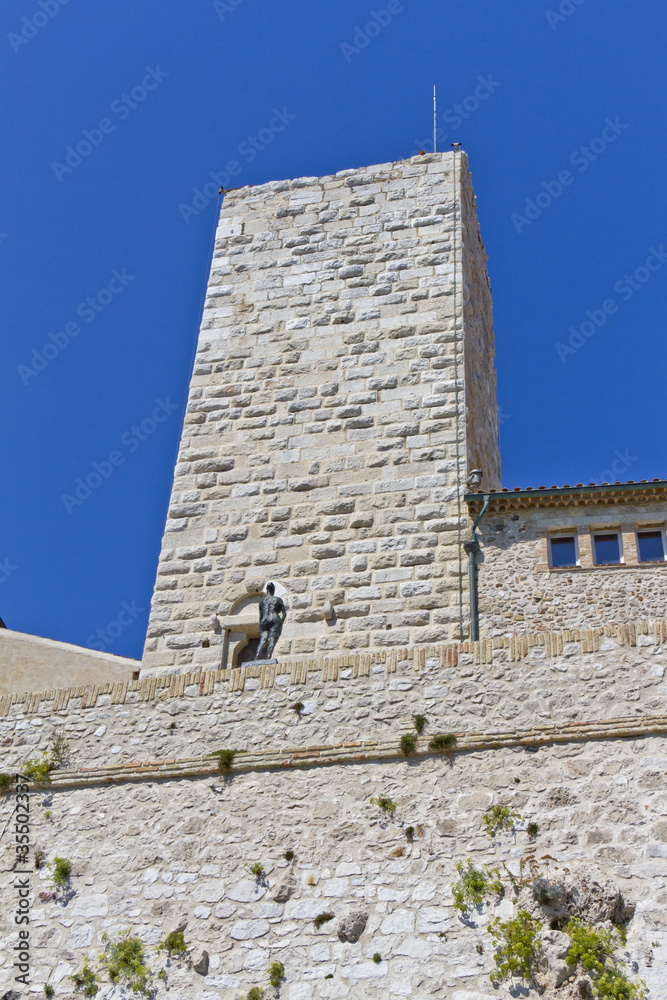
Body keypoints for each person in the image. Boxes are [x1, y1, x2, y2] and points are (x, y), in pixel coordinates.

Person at [255, 582, 287, 660]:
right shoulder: (277, 599)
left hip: (263, 620)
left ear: (267, 590)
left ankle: (257, 655)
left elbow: (261, 615)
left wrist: (261, 624)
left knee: (263, 640)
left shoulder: (262, 602)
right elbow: (284, 613)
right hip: (274, 618)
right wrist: (281, 622)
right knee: (272, 639)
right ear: (273, 590)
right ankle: (268, 657)